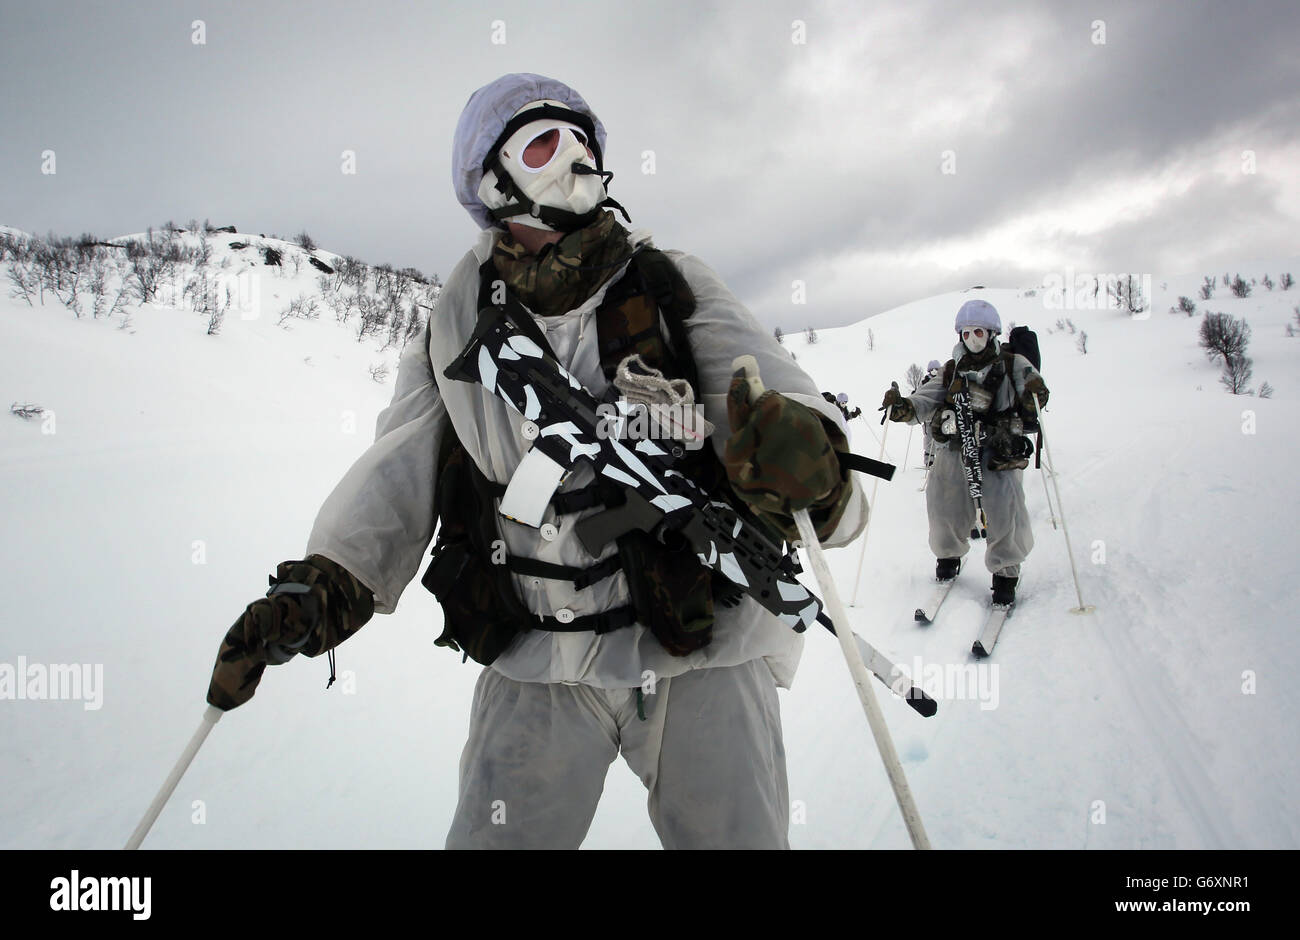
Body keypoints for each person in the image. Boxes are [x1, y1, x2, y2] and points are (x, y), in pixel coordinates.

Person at [204, 73, 867, 850]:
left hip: (704, 647)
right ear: (491, 184)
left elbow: (783, 405)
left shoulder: (670, 284)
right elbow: (401, 464)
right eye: (544, 142)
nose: (576, 157)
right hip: (539, 656)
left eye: (584, 138)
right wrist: (331, 580)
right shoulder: (456, 325)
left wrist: (817, 473)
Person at [879, 301, 1047, 605]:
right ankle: (948, 557)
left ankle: (1005, 572)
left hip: (998, 450)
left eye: (979, 332)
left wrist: (1035, 391)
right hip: (955, 447)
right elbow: (924, 401)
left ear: (992, 333)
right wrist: (902, 407)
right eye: (966, 333)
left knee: (1004, 508)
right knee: (944, 503)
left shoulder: (1013, 364)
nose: (973, 339)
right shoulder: (951, 370)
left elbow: (1034, 393)